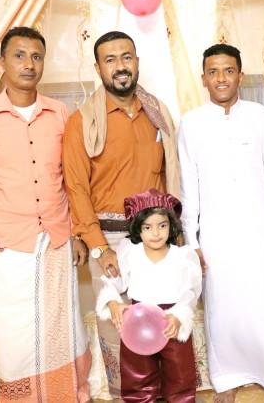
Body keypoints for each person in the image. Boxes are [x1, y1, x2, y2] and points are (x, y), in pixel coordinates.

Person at [0, 27, 91, 402]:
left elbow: (73, 179)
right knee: (15, 336)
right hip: (7, 242)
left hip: (58, 239)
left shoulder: (60, 113)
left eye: (36, 56)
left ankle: (68, 395)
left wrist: (79, 233)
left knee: (62, 329)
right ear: (2, 62)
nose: (29, 64)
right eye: (19, 55)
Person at [178, 44, 264, 403]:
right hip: (215, 234)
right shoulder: (191, 123)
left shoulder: (259, 116)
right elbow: (189, 187)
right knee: (223, 309)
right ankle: (228, 379)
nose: (221, 78)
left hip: (260, 230)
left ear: (240, 76)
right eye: (213, 72)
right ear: (204, 78)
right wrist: (192, 241)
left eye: (228, 70)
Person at [63, 30, 180, 397]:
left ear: (137, 62)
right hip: (109, 239)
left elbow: (170, 175)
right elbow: (77, 189)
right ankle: (125, 396)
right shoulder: (82, 122)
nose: (120, 66)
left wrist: (175, 235)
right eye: (110, 60)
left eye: (126, 57)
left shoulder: (156, 113)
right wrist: (99, 248)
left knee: (161, 319)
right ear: (98, 68)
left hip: (156, 236)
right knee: (117, 323)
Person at [96, 189, 202, 402]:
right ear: (138, 228)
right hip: (138, 321)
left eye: (162, 225)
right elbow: (114, 281)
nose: (156, 233)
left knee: (180, 375)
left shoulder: (183, 256)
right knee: (137, 376)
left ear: (171, 225)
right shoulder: (131, 253)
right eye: (148, 227)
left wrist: (178, 316)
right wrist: (113, 303)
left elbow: (190, 292)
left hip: (171, 321)